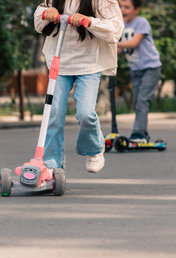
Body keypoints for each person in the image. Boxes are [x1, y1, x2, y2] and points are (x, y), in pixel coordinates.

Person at [34, 0, 124, 173]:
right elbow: (38, 22)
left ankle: (95, 149)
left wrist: (90, 21)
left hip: (88, 65)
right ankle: (52, 163)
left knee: (85, 113)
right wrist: (48, 12)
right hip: (59, 64)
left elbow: (115, 30)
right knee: (53, 113)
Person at [117, 0, 161, 143]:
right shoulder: (120, 26)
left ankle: (138, 133)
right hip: (135, 69)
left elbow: (133, 43)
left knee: (142, 100)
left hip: (150, 68)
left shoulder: (141, 22)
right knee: (138, 102)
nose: (123, 10)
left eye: (127, 7)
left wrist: (113, 42)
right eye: (120, 6)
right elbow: (119, 51)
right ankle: (143, 132)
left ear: (136, 10)